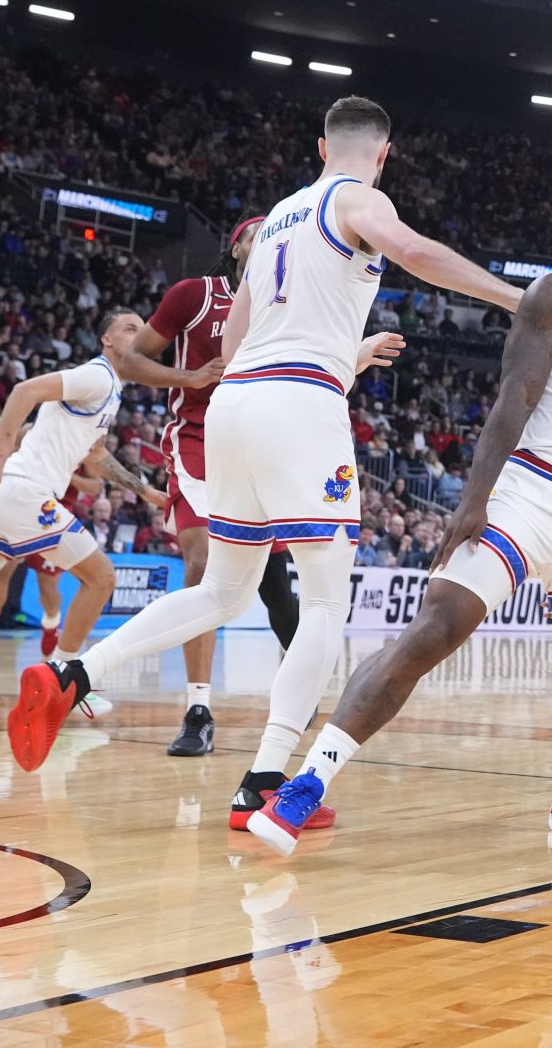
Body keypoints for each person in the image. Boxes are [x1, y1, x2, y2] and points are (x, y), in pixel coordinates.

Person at [7, 97, 522, 842]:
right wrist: (514, 298)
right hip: (296, 408)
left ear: (320, 146)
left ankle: (71, 675)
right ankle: (264, 786)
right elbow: (412, 251)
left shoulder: (281, 214)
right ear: (383, 154)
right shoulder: (358, 197)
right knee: (320, 606)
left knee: (223, 588)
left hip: (234, 408)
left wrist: (344, 354)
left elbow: (243, 340)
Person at [244, 160, 552, 853]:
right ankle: (307, 783)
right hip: (528, 490)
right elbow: (516, 394)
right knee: (436, 625)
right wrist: (476, 497)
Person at [123, 216, 324, 757]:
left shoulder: (289, 308)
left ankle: (302, 694)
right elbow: (133, 359)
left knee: (276, 590)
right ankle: (197, 710)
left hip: (263, 444)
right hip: (198, 439)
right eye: (256, 234)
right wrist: (188, 378)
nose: (265, 244)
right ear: (236, 247)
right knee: (203, 561)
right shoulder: (193, 295)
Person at [0, 311, 165, 696]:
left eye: (143, 329)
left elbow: (96, 456)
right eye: (129, 328)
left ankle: (58, 675)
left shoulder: (110, 389)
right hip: (26, 492)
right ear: (107, 340)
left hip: (10, 496)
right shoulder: (97, 374)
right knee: (101, 578)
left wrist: (146, 492)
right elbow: (22, 391)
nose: (140, 334)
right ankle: (62, 682)